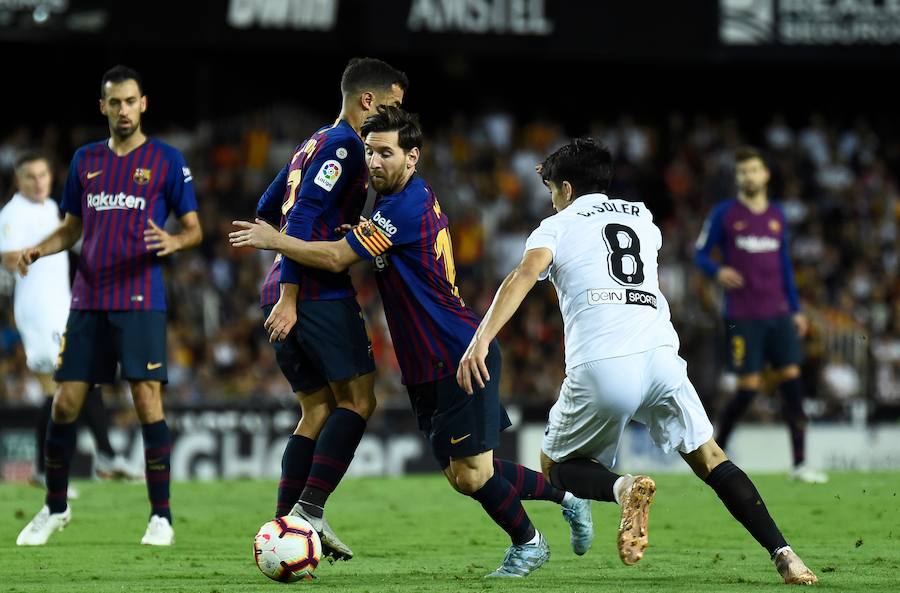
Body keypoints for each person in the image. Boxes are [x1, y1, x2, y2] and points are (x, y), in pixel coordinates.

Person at [230, 106, 593, 578]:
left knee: (473, 475)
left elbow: (340, 258)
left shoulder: (405, 205)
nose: (374, 162)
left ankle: (529, 544)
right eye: (369, 152)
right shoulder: (389, 205)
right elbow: (372, 248)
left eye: (385, 153)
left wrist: (274, 241)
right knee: (464, 473)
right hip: (424, 364)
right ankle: (568, 497)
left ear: (413, 156)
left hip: (458, 352)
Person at [456, 138, 818, 585]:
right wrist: (558, 170)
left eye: (552, 189)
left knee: (555, 467)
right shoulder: (643, 218)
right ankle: (785, 555)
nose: (551, 199)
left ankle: (622, 488)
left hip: (603, 363)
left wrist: (481, 340)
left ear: (565, 189)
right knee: (710, 458)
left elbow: (524, 275)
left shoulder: (555, 226)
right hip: (661, 356)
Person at [16, 65, 202, 546]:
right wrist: (40, 247)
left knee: (146, 400)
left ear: (144, 103)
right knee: (66, 403)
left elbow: (195, 228)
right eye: (114, 102)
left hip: (141, 299)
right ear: (103, 107)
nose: (122, 109)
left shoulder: (166, 159)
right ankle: (55, 508)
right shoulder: (85, 161)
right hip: (89, 299)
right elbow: (71, 227)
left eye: (130, 101)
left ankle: (161, 516)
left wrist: (175, 242)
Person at [248, 57, 408, 562]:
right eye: (393, 107)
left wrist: (293, 260)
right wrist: (293, 294)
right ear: (368, 102)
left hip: (282, 282)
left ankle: (283, 530)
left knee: (316, 411)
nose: (398, 118)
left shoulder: (313, 141)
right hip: (313, 290)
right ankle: (308, 512)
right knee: (359, 402)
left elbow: (270, 206)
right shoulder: (344, 146)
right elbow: (300, 217)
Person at [0, 153, 138, 493]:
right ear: (19, 180)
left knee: (65, 387)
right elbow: (5, 253)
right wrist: (19, 259)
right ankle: (100, 458)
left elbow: (71, 240)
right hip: (38, 313)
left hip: (61, 309)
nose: (38, 182)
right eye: (30, 177)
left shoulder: (49, 208)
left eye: (43, 174)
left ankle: (49, 468)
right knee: (74, 380)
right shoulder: (13, 213)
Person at [694, 146, 827, 484]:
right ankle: (715, 455)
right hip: (742, 313)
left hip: (779, 312)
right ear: (737, 177)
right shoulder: (725, 213)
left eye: (753, 170)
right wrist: (717, 270)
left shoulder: (777, 215)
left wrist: (795, 309)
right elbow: (700, 253)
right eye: (742, 172)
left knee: (792, 383)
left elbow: (784, 265)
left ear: (765, 174)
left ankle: (799, 463)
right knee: (749, 387)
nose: (748, 176)